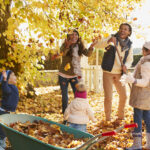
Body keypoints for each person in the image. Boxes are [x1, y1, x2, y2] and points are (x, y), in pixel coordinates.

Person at [93, 23, 133, 121]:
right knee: (109, 97)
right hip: (108, 72)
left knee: (124, 96)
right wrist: (108, 41)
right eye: (121, 29)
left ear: (129, 32)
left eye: (125, 29)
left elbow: (130, 59)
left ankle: (120, 116)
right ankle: (108, 118)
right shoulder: (112, 38)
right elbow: (97, 45)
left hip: (120, 73)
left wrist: (126, 66)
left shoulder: (129, 44)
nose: (123, 30)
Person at [58, 29, 97, 118]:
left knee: (78, 96)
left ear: (78, 37)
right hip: (63, 75)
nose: (74, 36)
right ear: (69, 37)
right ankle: (65, 117)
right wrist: (67, 46)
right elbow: (62, 54)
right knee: (65, 97)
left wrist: (91, 47)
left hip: (75, 75)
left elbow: (88, 54)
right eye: (72, 34)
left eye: (76, 34)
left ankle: (77, 114)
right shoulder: (64, 45)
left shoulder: (79, 46)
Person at [120, 42, 150, 150]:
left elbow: (145, 82)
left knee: (137, 119)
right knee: (148, 118)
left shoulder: (146, 63)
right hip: (146, 97)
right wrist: (128, 75)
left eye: (143, 49)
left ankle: (137, 145)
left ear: (145, 50)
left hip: (142, 97)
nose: (142, 51)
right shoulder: (144, 60)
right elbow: (136, 74)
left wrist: (133, 80)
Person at [0, 70, 19, 150]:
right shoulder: (7, 87)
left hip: (7, 112)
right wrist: (4, 80)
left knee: (4, 131)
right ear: (8, 79)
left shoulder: (13, 87)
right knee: (2, 131)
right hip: (3, 112)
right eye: (13, 75)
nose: (15, 77)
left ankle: (3, 145)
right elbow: (5, 89)